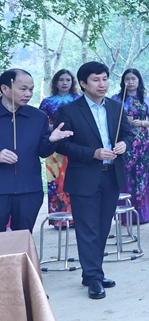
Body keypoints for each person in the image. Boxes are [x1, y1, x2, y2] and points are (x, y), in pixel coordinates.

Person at [54, 62, 133, 299]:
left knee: (102, 227)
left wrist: (124, 144)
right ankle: (94, 277)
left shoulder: (116, 107)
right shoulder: (69, 110)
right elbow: (62, 144)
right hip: (84, 177)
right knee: (87, 229)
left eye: (105, 79)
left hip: (111, 175)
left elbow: (128, 134)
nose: (102, 84)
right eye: (96, 80)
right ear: (83, 83)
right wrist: (93, 153)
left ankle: (92, 273)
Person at [1, 69, 71, 232]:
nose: (28, 94)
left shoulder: (38, 117)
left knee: (23, 236)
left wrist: (51, 141)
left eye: (31, 89)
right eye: (23, 89)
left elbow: (43, 152)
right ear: (4, 89)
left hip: (29, 190)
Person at [111, 68, 149, 224]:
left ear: (139, 81)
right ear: (123, 81)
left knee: (142, 177)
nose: (130, 82)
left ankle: (144, 214)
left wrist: (142, 123)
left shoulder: (145, 99)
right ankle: (125, 215)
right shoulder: (116, 99)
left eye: (133, 79)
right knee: (125, 176)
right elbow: (109, 119)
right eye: (127, 79)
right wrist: (125, 121)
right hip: (123, 143)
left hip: (142, 144)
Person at [39, 69, 81, 217]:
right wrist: (52, 128)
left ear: (73, 82)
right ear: (55, 82)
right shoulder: (47, 102)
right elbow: (40, 124)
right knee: (56, 181)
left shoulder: (79, 100)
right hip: (54, 146)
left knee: (76, 178)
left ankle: (77, 216)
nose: (64, 83)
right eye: (61, 79)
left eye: (68, 80)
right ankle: (59, 218)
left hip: (75, 144)